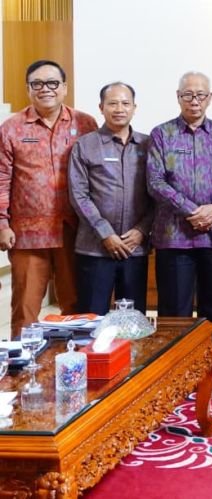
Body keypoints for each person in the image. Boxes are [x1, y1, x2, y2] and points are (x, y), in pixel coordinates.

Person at [147, 71, 212, 398]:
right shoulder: (161, 135)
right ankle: (176, 377)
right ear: (178, 97)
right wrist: (191, 210)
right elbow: (156, 182)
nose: (194, 100)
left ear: (210, 98)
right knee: (175, 312)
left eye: (200, 94)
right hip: (174, 237)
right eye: (188, 94)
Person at [0, 59, 98, 337]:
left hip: (74, 231)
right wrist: (2, 224)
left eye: (52, 83)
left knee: (77, 306)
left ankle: (74, 367)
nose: (46, 89)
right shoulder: (11, 128)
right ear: (28, 88)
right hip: (27, 234)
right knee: (25, 308)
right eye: (37, 83)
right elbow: (2, 177)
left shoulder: (85, 123)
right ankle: (21, 372)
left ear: (64, 87)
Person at [69, 82, 154, 315]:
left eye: (125, 103)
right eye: (112, 103)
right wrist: (105, 234)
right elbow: (79, 194)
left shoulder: (149, 145)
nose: (119, 109)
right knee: (91, 320)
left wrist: (141, 231)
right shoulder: (85, 145)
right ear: (101, 107)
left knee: (133, 321)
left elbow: (158, 193)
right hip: (95, 248)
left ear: (135, 108)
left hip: (134, 248)